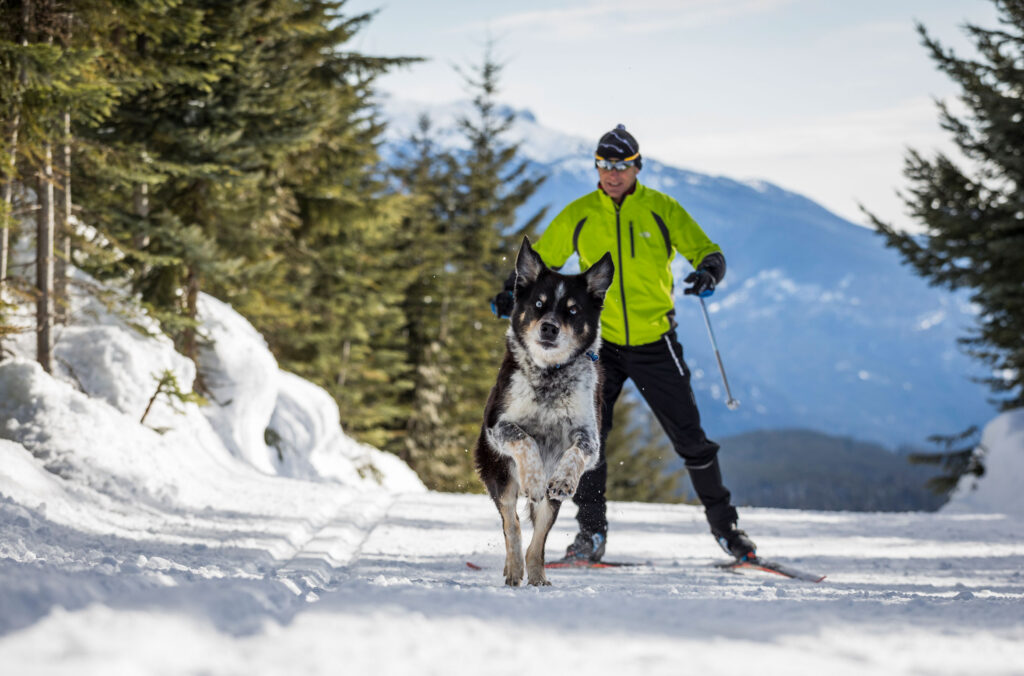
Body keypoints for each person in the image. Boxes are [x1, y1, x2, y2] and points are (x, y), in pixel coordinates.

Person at [490, 124, 756, 562]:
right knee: (587, 438)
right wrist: (509, 293)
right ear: (596, 167)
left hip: (656, 340)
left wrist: (708, 271)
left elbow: (707, 250)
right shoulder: (579, 213)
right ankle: (590, 535)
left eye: (622, 166)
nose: (613, 174)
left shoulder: (661, 209)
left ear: (637, 168)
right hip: (600, 349)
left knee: (691, 439)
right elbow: (540, 265)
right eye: (605, 165)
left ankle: (728, 531)